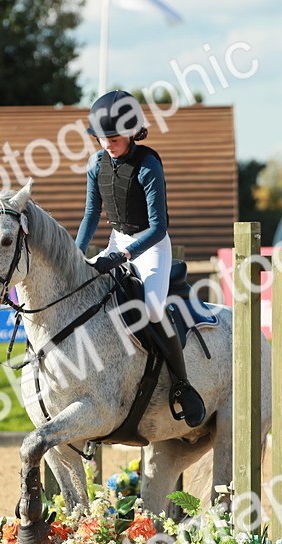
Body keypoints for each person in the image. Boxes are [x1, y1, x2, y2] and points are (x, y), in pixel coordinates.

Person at [75, 89, 206, 427]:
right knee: (85, 290)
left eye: (114, 136)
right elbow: (92, 214)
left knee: (150, 307)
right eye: (102, 136)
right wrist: (78, 255)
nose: (107, 142)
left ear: (132, 131)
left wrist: (122, 255)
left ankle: (181, 384)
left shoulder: (147, 166)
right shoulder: (96, 164)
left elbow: (159, 227)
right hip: (117, 239)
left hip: (151, 247)